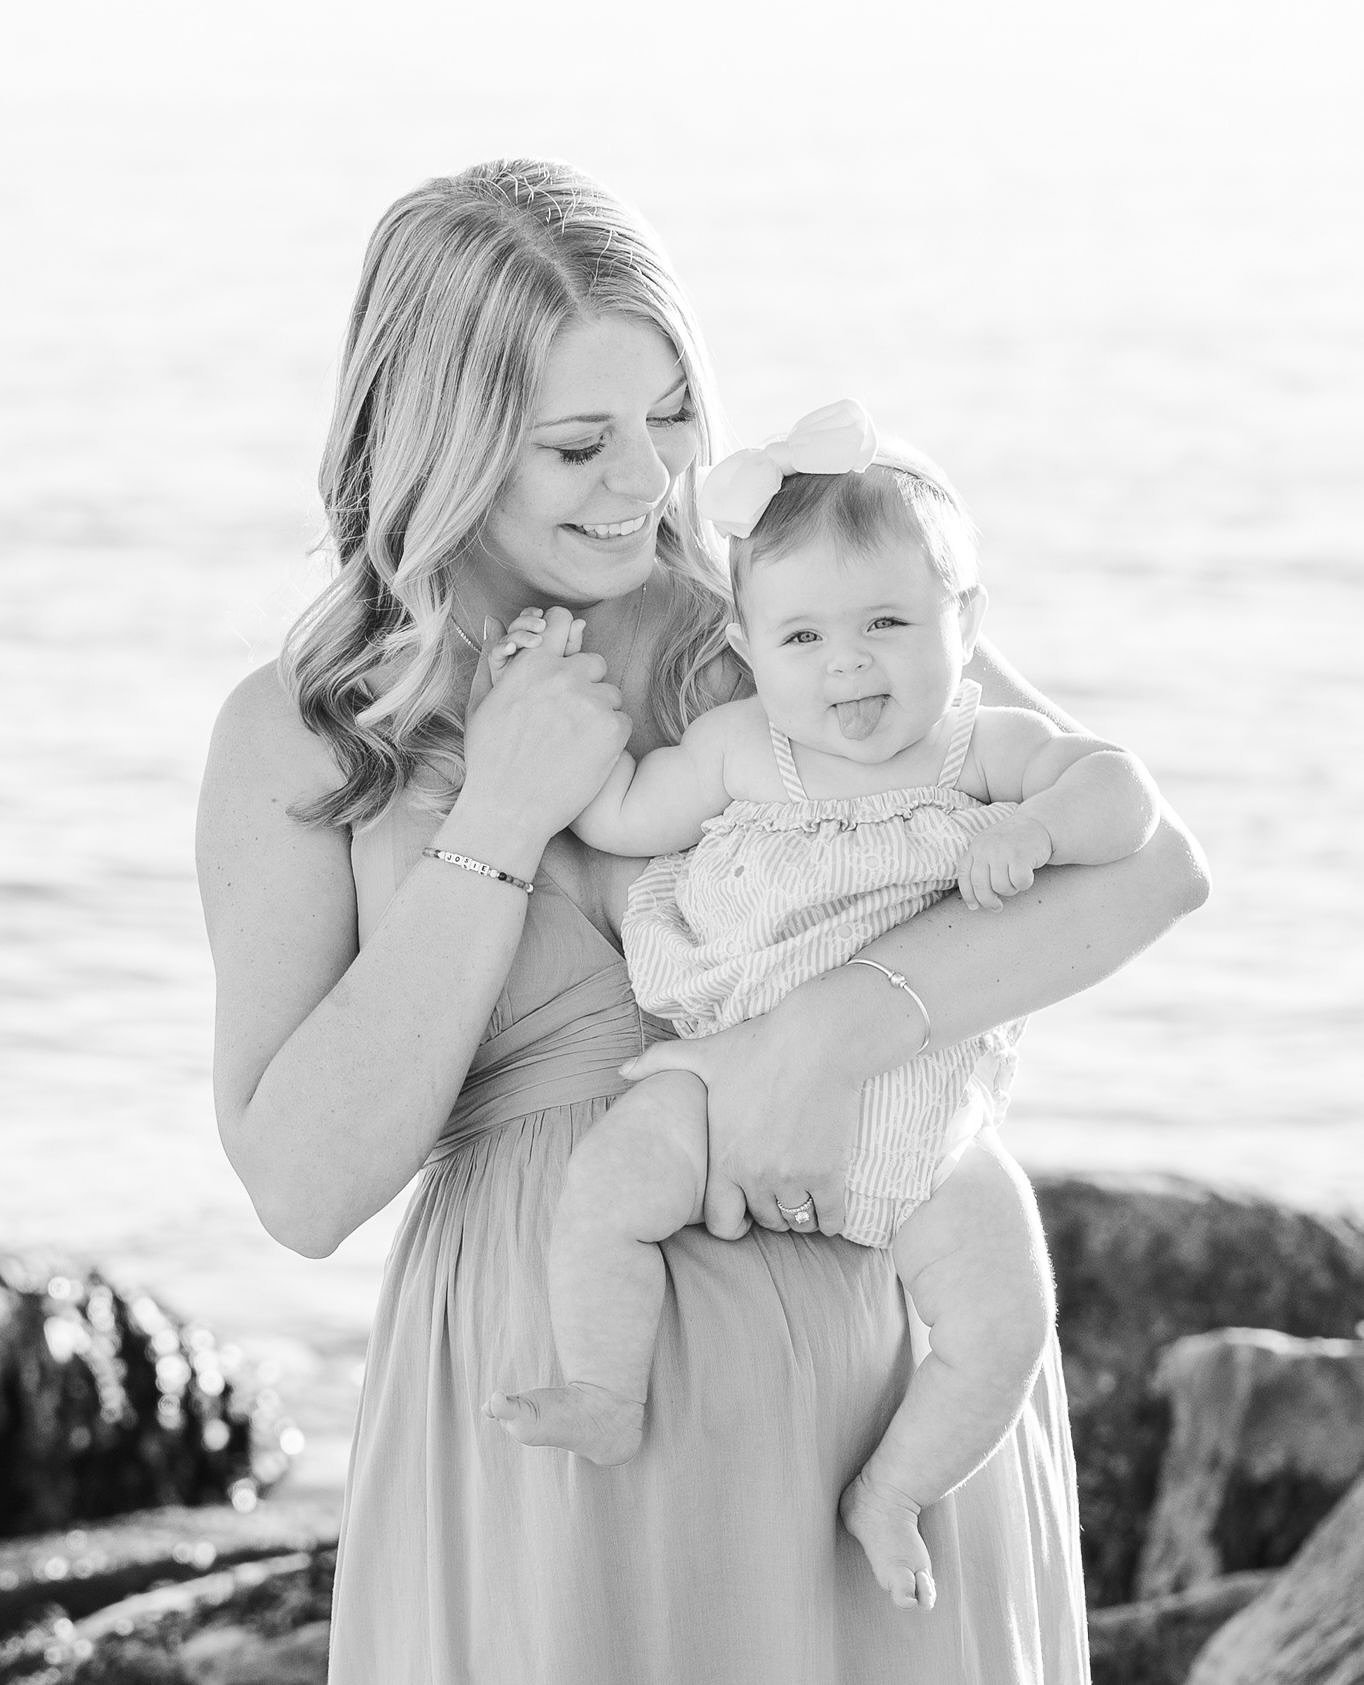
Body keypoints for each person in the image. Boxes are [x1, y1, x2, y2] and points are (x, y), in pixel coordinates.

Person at [195, 158, 1208, 1684]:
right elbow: (303, 1186)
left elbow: (1148, 863)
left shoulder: (786, 621)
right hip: (558, 1452)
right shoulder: (308, 733)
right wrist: (497, 822)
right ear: (442, 442)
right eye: (578, 444)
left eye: (669, 416)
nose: (646, 483)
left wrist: (834, 1030)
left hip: (887, 1416)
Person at [483, 400, 1162, 1615]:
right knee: (610, 1183)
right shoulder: (744, 746)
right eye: (802, 634)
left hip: (929, 1117)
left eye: (887, 623)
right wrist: (535, 713)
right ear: (744, 644)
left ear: (967, 627)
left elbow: (1128, 805)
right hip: (734, 1066)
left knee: (1005, 1316)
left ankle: (890, 1489)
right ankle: (602, 1382)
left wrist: (1040, 824)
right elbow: (619, 814)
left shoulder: (981, 750)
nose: (847, 663)